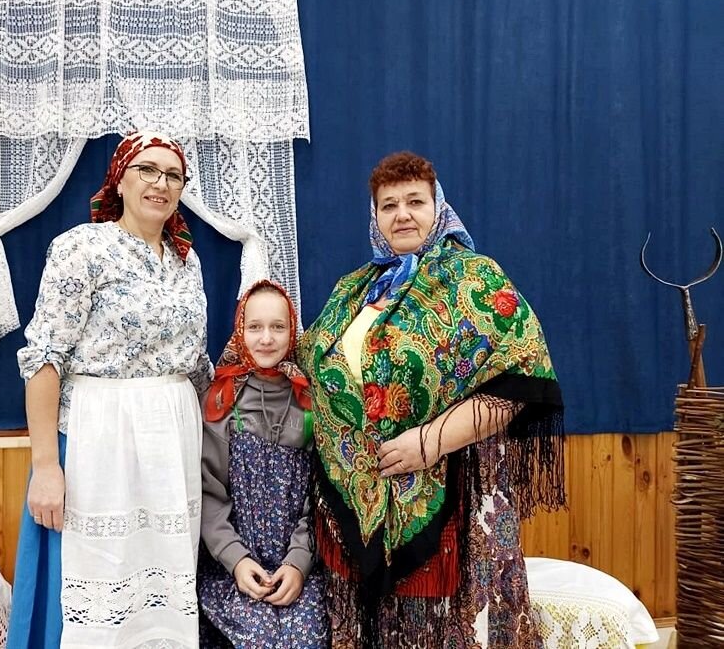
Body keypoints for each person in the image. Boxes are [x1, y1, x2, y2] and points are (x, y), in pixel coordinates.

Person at [297, 151, 565, 647]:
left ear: (438, 207)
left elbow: (521, 376)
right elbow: (312, 365)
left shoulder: (474, 279)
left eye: (415, 201)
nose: (402, 215)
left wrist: (430, 441)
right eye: (389, 205)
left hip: (451, 501)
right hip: (354, 504)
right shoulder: (353, 290)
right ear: (374, 216)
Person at [7, 131, 214, 648]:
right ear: (120, 180)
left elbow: (197, 364)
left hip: (171, 444)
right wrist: (45, 467)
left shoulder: (187, 260)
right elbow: (44, 357)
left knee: (161, 588)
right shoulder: (81, 248)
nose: (161, 184)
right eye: (148, 170)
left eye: (173, 175)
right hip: (99, 439)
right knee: (95, 590)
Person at [198, 280, 330, 648]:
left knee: (306, 635)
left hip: (299, 567)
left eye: (278, 327)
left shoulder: (310, 402)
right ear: (240, 330)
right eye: (255, 327)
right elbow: (209, 494)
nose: (267, 338)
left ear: (293, 331)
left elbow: (320, 498)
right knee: (260, 636)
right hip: (233, 567)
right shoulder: (222, 400)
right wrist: (236, 560)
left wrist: (298, 563)